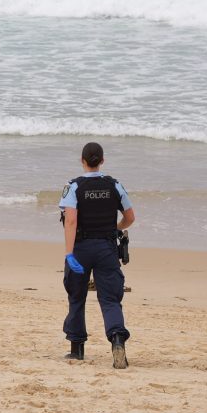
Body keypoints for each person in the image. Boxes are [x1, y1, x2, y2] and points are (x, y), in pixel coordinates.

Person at [59, 142, 136, 368]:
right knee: (110, 299)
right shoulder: (114, 185)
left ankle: (77, 349)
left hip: (81, 248)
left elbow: (71, 220)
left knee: (76, 297)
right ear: (102, 160)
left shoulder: (73, 186)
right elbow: (130, 217)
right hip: (106, 248)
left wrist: (69, 253)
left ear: (82, 161)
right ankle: (117, 341)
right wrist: (116, 229)